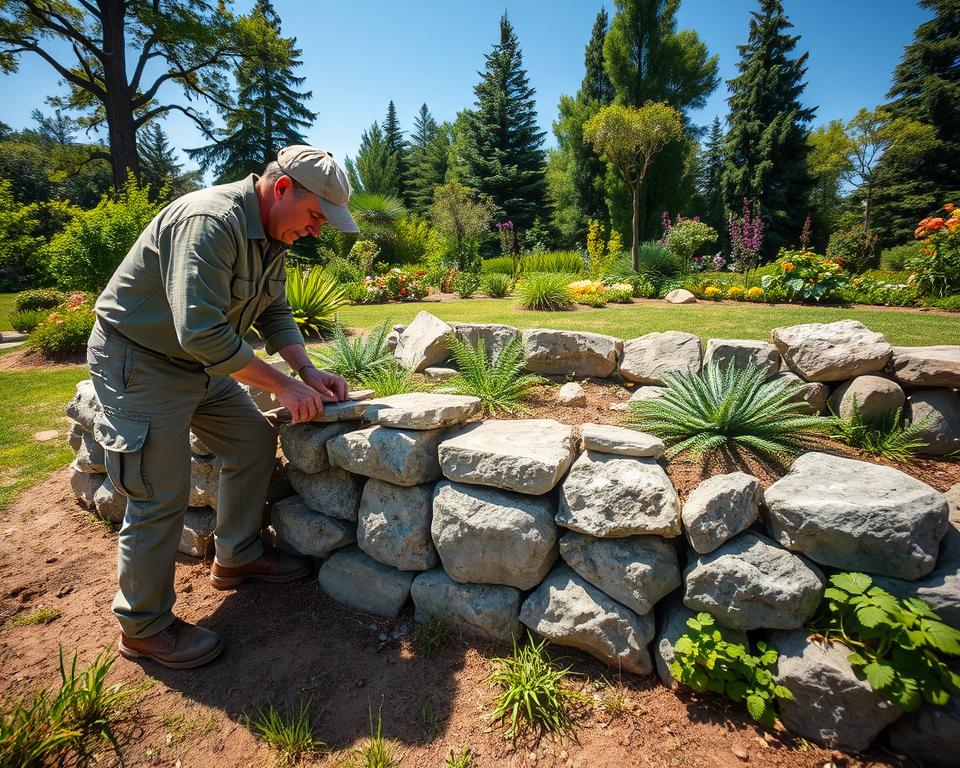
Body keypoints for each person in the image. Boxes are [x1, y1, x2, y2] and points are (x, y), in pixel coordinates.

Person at [87, 145, 357, 669]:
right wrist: (282, 387)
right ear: (282, 189)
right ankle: (142, 627)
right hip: (140, 362)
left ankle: (238, 557)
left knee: (252, 441)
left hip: (199, 365)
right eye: (316, 217)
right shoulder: (209, 221)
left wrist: (306, 372)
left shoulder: (273, 234)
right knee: (158, 490)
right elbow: (201, 331)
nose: (318, 231)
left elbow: (273, 309)